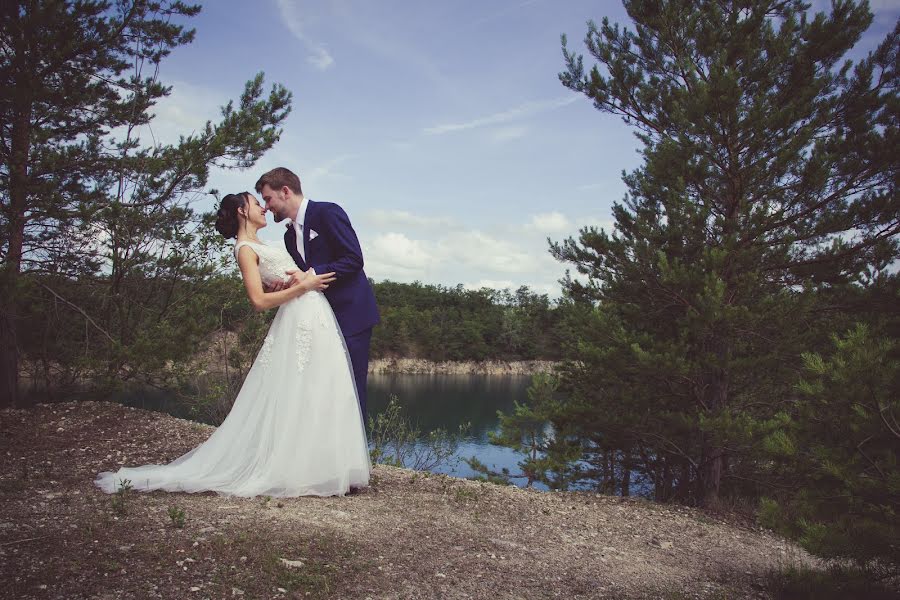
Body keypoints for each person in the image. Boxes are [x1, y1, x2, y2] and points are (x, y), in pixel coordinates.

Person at [94, 192, 370, 497]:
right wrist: (303, 285)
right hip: (299, 318)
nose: (263, 207)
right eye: (256, 202)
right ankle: (299, 468)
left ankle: (324, 464)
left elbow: (278, 282)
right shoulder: (245, 249)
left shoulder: (268, 242)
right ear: (242, 210)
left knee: (318, 389)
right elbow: (258, 301)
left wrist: (290, 283)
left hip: (313, 317)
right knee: (298, 391)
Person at [255, 167, 379, 421]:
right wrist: (285, 285)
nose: (266, 207)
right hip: (319, 320)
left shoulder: (327, 212)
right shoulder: (289, 236)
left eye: (268, 198)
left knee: (352, 391)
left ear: (285, 191)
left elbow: (354, 259)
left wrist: (312, 273)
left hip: (351, 316)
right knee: (325, 390)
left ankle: (355, 460)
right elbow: (304, 279)